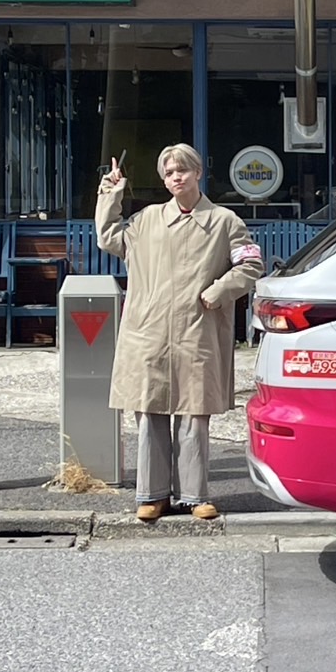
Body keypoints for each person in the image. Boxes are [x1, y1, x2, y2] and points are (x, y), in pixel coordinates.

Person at [95, 143, 264, 522]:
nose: (176, 178)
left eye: (183, 170)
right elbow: (108, 237)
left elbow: (251, 265)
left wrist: (219, 291)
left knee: (193, 414)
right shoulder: (146, 220)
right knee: (150, 412)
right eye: (169, 173)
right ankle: (152, 495)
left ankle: (194, 496)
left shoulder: (224, 221)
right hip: (149, 332)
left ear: (198, 172)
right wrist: (110, 194)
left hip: (198, 331)